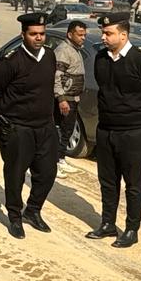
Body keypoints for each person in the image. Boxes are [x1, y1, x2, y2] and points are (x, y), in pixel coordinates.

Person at [87, 15, 141, 249]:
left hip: (134, 132)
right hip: (106, 129)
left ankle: (132, 229)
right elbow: (104, 87)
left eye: (108, 33)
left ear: (123, 35)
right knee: (107, 181)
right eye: (103, 32)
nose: (103, 37)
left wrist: (134, 112)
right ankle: (107, 223)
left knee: (133, 182)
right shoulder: (101, 58)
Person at [0, 12, 56, 239]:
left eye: (42, 34)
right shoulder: (10, 62)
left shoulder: (50, 56)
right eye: (33, 34)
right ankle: (15, 216)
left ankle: (33, 210)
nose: (38, 38)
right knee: (15, 174)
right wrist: (13, 111)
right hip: (18, 128)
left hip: (45, 127)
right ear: (23, 34)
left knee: (47, 173)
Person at [53, 19, 87, 176]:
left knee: (67, 130)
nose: (83, 38)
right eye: (80, 35)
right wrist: (61, 99)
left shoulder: (75, 49)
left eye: (84, 35)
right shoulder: (64, 51)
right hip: (65, 100)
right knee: (61, 131)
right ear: (70, 34)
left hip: (73, 98)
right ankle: (55, 163)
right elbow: (57, 76)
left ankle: (60, 158)